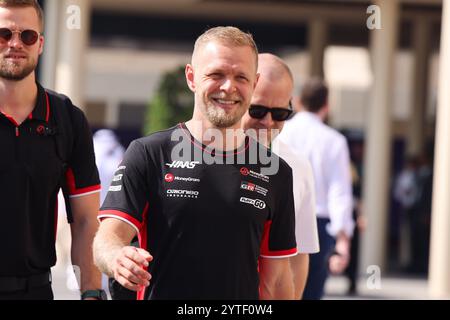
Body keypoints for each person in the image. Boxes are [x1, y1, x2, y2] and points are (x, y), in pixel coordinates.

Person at [93, 26, 297, 300]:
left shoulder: (277, 172)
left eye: (241, 77)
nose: (229, 87)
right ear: (191, 77)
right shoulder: (149, 153)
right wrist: (117, 257)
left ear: (255, 82)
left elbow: (278, 279)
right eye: (216, 74)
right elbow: (107, 239)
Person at [0, 0, 103, 300]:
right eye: (4, 34)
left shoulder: (68, 119)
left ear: (41, 44)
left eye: (27, 36)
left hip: (35, 290)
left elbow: (85, 220)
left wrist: (92, 292)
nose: (15, 44)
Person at [241, 53, 319, 299]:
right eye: (257, 110)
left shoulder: (297, 166)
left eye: (279, 113)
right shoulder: (199, 153)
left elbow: (299, 252)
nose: (267, 122)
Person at [278, 78, 354, 300]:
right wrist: (343, 239)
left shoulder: (281, 131)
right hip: (319, 224)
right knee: (310, 292)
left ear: (298, 102)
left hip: (281, 218)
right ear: (327, 106)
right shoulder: (334, 140)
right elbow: (339, 192)